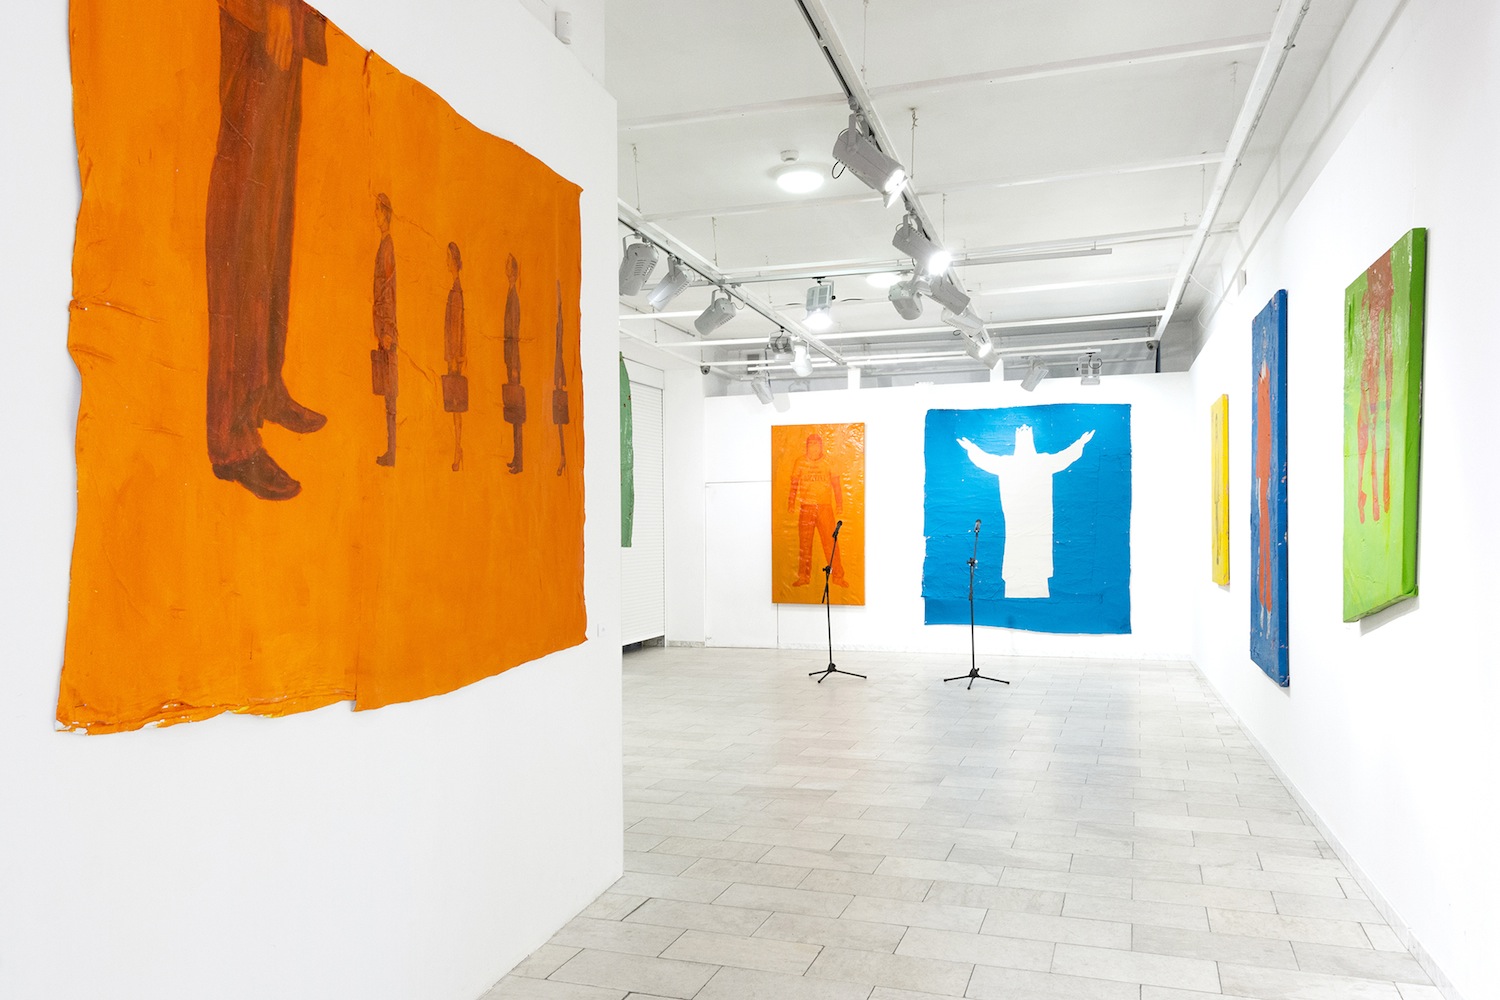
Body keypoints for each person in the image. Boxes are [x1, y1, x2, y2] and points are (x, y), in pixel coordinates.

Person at [204, 0, 328, 501]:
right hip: (255, 14)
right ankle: (231, 437)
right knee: (244, 222)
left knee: (274, 213)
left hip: (286, 20)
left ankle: (265, 389)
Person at [957, 426, 1093, 599]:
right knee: (1019, 559)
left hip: (1038, 525)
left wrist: (1080, 443)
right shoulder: (1013, 464)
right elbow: (985, 460)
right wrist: (972, 448)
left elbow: (1065, 457)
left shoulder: (1039, 462)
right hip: (1017, 525)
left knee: (1036, 559)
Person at [787, 433, 846, 588]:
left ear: (821, 446)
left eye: (816, 443)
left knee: (830, 542)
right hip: (806, 507)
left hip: (825, 508)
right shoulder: (800, 462)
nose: (813, 447)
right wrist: (791, 502)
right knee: (804, 544)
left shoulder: (829, 462)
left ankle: (838, 576)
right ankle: (803, 577)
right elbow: (794, 483)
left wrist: (839, 504)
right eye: (810, 443)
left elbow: (836, 485)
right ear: (807, 446)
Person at [372, 193, 398, 466]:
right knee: (387, 395)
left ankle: (392, 452)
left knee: (391, 397)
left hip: (388, 330)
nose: (376, 216)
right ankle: (390, 450)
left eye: (378, 212)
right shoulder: (384, 245)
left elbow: (388, 290)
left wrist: (388, 329)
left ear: (386, 214)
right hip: (383, 328)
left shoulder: (387, 247)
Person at [443, 242, 467, 472]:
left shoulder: (457, 291)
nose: (447, 262)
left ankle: (458, 448)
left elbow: (457, 327)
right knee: (454, 405)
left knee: (456, 405)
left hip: (454, 356)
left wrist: (455, 356)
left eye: (449, 258)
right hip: (453, 354)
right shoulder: (454, 288)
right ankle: (457, 446)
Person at [503, 254, 525, 474]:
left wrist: (515, 366)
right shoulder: (510, 294)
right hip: (511, 359)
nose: (507, 271)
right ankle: (516, 457)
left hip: (514, 361)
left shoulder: (514, 298)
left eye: (509, 268)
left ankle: (519, 459)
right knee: (513, 413)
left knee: (517, 416)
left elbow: (514, 334)